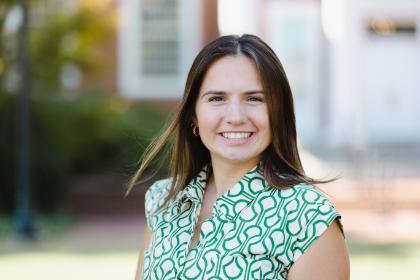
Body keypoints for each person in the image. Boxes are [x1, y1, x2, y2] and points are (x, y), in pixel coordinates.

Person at [126, 34, 350, 280]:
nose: (235, 116)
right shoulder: (164, 200)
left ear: (278, 112)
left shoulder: (308, 218)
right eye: (217, 99)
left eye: (254, 98)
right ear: (194, 116)